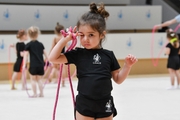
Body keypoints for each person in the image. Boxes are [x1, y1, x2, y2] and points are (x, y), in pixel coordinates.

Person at [49, 2, 137, 120]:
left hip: (105, 104)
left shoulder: (108, 55)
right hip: (84, 105)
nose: (85, 39)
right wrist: (65, 40)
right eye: (81, 35)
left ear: (102, 35)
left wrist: (127, 66)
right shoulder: (78, 54)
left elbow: (118, 79)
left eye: (91, 35)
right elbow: (53, 58)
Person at [23, 26, 48, 97]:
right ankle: (42, 93)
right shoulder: (40, 44)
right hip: (41, 65)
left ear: (29, 35)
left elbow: (26, 55)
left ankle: (34, 93)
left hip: (33, 65)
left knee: (33, 80)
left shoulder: (28, 45)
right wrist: (49, 61)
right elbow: (45, 54)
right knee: (39, 79)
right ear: (38, 34)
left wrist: (24, 64)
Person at [47, 22, 67, 86]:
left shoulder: (55, 38)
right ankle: (63, 82)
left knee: (55, 68)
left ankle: (51, 75)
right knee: (62, 68)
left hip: (55, 54)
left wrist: (49, 55)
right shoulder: (64, 38)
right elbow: (67, 47)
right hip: (62, 54)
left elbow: (52, 47)